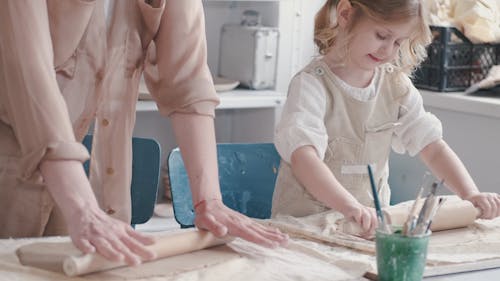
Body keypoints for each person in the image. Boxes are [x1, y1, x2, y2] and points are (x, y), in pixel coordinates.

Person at [0, 0, 287, 266]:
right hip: (13, 173)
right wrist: (82, 208)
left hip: (103, 182)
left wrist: (208, 200)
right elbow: (28, 71)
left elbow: (188, 81)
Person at [271, 0, 500, 237]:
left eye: (399, 42)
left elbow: (432, 147)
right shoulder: (311, 85)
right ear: (346, 14)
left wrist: (470, 195)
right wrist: (350, 206)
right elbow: (303, 158)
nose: (388, 50)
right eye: (381, 35)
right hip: (307, 228)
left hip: (367, 229)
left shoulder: (396, 86)